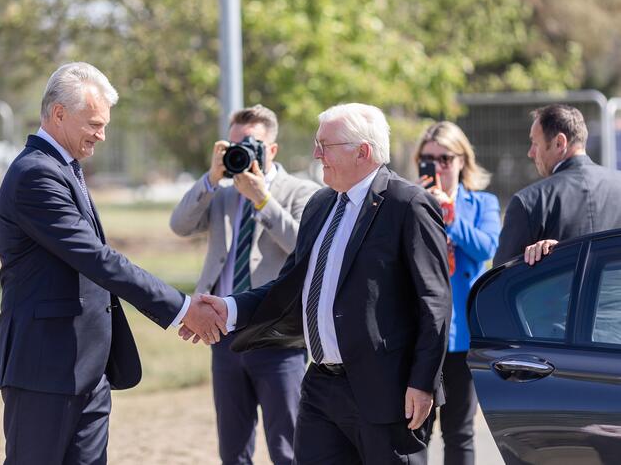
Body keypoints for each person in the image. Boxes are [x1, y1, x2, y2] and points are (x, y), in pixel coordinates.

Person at [185, 103, 452, 465]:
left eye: (325, 145)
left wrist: (422, 383)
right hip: (320, 389)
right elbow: (290, 286)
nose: (316, 154)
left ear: (363, 151)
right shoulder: (321, 204)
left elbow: (434, 302)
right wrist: (229, 307)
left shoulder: (408, 204)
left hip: (386, 393)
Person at [0, 62, 226, 465]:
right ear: (59, 114)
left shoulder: (65, 170)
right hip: (45, 370)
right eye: (95, 124)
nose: (102, 135)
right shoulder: (35, 175)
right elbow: (97, 259)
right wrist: (182, 309)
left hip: (88, 370)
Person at [170, 104, 319, 465]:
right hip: (223, 333)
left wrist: (262, 200)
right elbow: (180, 225)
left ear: (272, 149)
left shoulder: (302, 191)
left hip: (277, 336)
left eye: (251, 144)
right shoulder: (221, 191)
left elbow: (307, 248)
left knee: (288, 446)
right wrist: (210, 177)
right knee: (233, 448)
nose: (243, 151)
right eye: (234, 144)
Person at [414, 121, 500, 465]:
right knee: (413, 429)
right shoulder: (410, 202)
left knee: (459, 432)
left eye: (445, 159)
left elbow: (486, 247)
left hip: (462, 334)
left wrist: (450, 216)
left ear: (463, 160)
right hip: (420, 335)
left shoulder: (482, 203)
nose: (437, 167)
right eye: (428, 159)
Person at [493, 104, 621, 266]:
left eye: (535, 143)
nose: (530, 152)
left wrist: (545, 257)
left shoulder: (530, 201)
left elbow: (501, 279)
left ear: (559, 143)